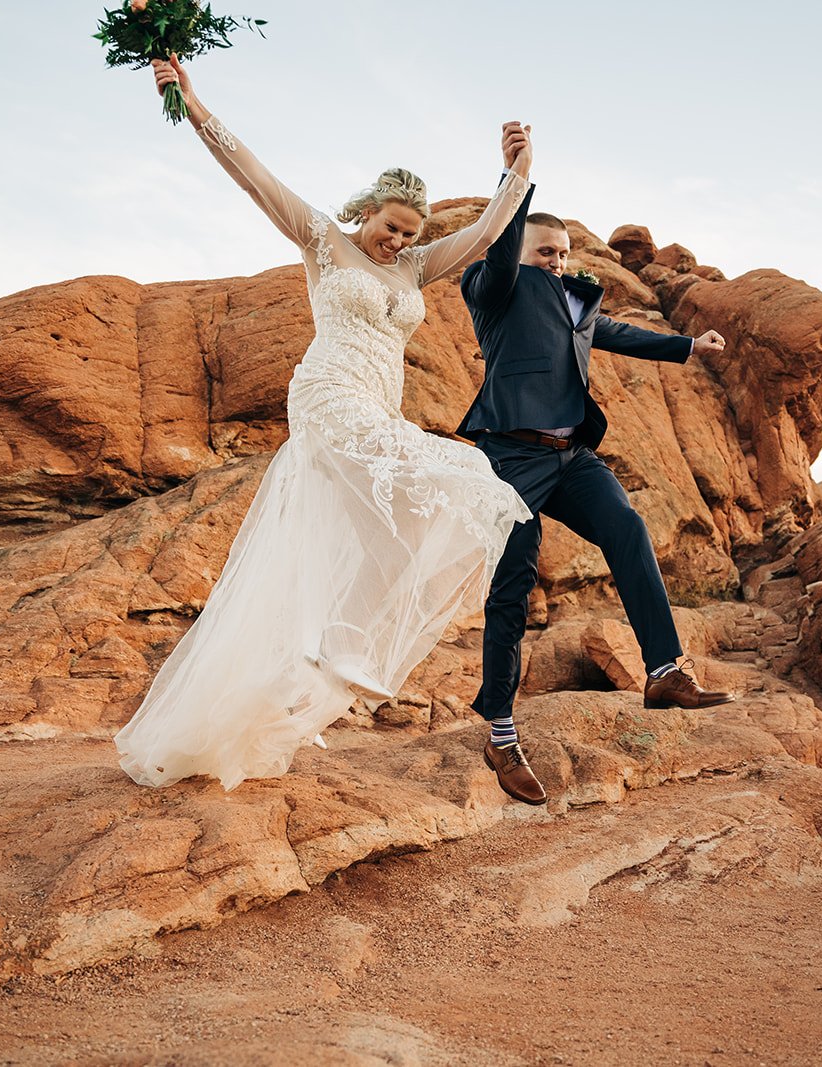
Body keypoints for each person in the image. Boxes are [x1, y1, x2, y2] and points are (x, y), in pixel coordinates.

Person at [116, 58, 534, 790]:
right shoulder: (322, 241)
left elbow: (489, 232)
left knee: (425, 508)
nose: (397, 241)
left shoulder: (416, 267)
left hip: (379, 408)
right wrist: (189, 98)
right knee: (458, 477)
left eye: (408, 233)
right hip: (327, 395)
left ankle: (332, 646)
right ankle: (345, 644)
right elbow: (251, 173)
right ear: (366, 212)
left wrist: (517, 174)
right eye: (390, 226)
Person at [456, 199, 736, 805]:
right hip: (509, 457)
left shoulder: (578, 298)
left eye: (563, 253)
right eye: (544, 252)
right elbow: (504, 256)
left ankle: (664, 670)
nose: (556, 262)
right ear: (518, 251)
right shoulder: (492, 286)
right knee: (513, 588)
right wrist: (516, 179)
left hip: (571, 456)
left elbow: (616, 334)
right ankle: (501, 733)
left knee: (626, 526)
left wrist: (688, 345)